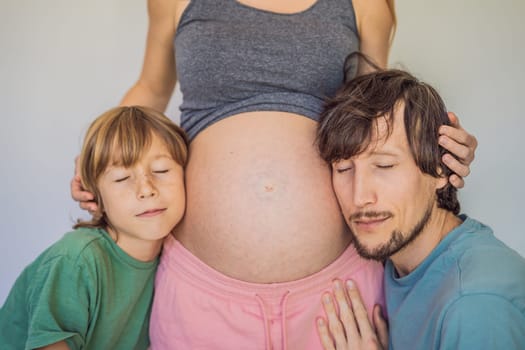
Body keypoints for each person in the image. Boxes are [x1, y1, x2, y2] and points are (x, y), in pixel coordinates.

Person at [70, 1, 478, 349]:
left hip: (339, 294)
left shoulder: (363, 3)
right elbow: (151, 89)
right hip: (200, 288)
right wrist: (97, 156)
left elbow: (381, 115)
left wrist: (440, 144)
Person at [315, 69, 525, 350]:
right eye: (343, 168)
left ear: (440, 168)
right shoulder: (404, 257)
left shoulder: (475, 305)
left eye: (385, 166)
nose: (360, 196)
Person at [0, 106, 188, 349]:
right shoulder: (76, 260)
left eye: (161, 171)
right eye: (122, 178)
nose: (146, 189)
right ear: (94, 196)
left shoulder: (175, 261)